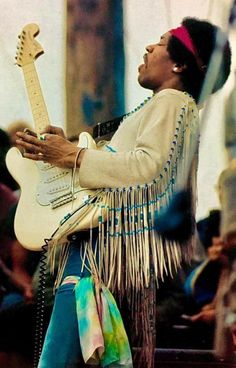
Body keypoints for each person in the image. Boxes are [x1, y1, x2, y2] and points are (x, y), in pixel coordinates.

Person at [15, 17, 231, 368]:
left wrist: (71, 154)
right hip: (100, 256)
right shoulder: (169, 106)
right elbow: (125, 166)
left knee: (56, 359)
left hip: (96, 260)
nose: (149, 47)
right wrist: (65, 148)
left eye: (160, 42)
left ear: (178, 64)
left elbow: (148, 170)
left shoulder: (172, 101)